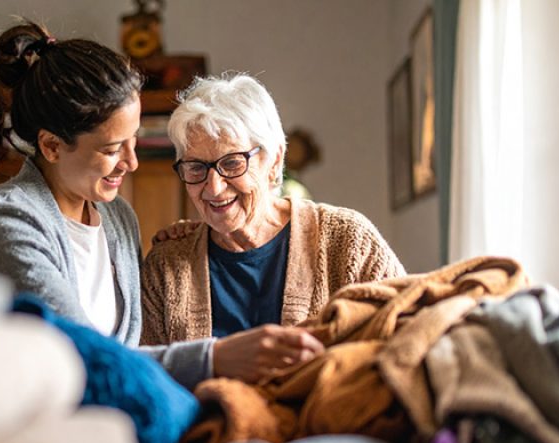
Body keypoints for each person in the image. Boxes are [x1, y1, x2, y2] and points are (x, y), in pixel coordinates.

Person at [0, 21, 323, 389]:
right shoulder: (6, 219)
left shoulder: (118, 217)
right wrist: (215, 357)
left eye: (134, 141)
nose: (131, 163)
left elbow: (135, 347)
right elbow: (80, 356)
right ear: (51, 146)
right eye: (113, 148)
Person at [141, 73, 406, 347]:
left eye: (232, 163)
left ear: (275, 160)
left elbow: (407, 334)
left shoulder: (348, 241)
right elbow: (147, 375)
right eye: (196, 167)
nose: (214, 188)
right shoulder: (167, 264)